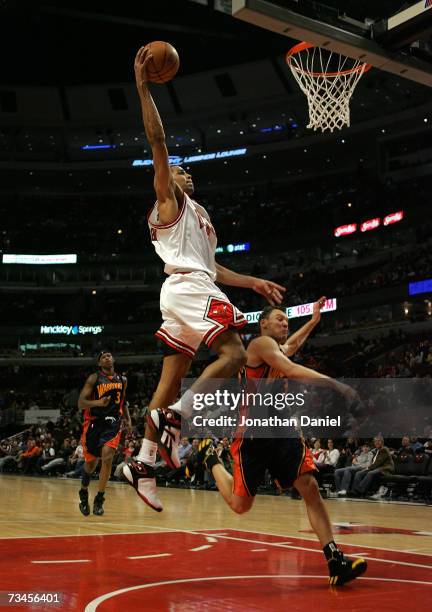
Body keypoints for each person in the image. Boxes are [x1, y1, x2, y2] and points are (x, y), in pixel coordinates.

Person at [123, 46, 285, 511]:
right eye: (174, 169)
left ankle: (144, 461)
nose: (180, 171)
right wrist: (142, 88)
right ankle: (176, 419)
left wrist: (251, 282)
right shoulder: (166, 205)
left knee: (168, 381)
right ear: (164, 180)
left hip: (192, 287)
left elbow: (214, 268)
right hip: (188, 286)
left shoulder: (201, 215)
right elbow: (157, 141)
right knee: (235, 353)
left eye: (181, 169)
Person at [198, 304, 366, 586]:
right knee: (241, 506)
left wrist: (312, 322)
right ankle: (209, 458)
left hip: (281, 429)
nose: (285, 323)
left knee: (309, 487)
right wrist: (337, 385)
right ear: (263, 324)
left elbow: (293, 345)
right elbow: (289, 366)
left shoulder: (274, 348)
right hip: (252, 434)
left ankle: (334, 559)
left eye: (287, 320)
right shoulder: (259, 345)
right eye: (280, 319)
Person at [78, 351, 131, 516]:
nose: (107, 357)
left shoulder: (123, 380)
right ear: (99, 363)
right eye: (103, 357)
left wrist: (128, 420)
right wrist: (98, 403)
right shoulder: (94, 378)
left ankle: (99, 499)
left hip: (113, 422)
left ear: (113, 359)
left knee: (107, 457)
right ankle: (83, 492)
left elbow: (123, 402)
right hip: (94, 423)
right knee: (91, 465)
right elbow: (81, 403)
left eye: (109, 355)